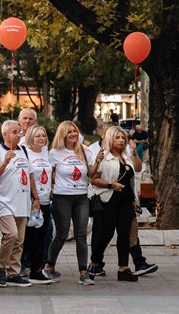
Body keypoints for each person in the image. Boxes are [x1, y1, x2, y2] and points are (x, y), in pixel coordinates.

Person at [88, 127, 144, 281]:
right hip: (108, 199)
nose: (120, 140)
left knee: (124, 234)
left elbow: (138, 169)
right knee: (105, 234)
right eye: (117, 137)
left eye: (123, 138)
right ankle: (94, 263)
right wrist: (110, 185)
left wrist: (134, 153)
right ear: (110, 139)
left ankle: (123, 268)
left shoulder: (126, 156)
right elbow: (93, 179)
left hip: (126, 200)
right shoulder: (103, 157)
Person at [0, 120, 41, 287]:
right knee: (10, 234)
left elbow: (31, 175)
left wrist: (36, 198)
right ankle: (0, 267)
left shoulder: (24, 151)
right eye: (14, 132)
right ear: (4, 134)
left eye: (19, 132)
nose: (18, 134)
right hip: (4, 202)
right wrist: (5, 161)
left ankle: (13, 272)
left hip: (23, 202)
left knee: (19, 240)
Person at [44, 121, 95, 284]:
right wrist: (49, 190)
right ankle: (49, 266)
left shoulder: (85, 151)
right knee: (62, 234)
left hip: (81, 196)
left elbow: (92, 174)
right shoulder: (54, 153)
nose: (73, 134)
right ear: (63, 134)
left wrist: (98, 161)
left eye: (75, 131)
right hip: (62, 197)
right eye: (69, 132)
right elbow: (47, 173)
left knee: (81, 235)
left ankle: (83, 272)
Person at [21, 125, 57, 283]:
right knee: (29, 237)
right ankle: (25, 267)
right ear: (30, 138)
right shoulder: (25, 153)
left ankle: (37, 269)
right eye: (37, 136)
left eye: (43, 135)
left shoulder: (46, 153)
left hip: (45, 200)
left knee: (42, 236)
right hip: (31, 201)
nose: (41, 138)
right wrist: (33, 198)